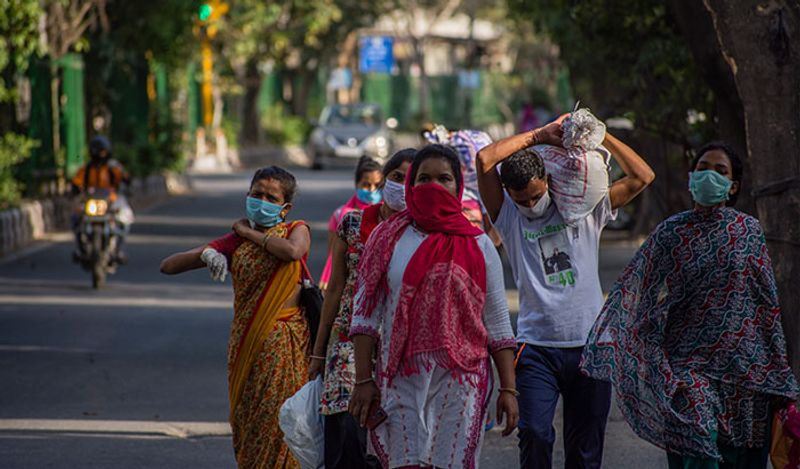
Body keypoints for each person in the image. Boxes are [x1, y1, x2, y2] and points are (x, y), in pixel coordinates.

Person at [580, 142, 800, 469]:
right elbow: (638, 300)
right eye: (702, 168)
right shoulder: (671, 233)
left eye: (720, 171)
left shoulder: (747, 231)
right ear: (690, 177)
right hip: (688, 371)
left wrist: (780, 377)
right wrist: (661, 368)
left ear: (733, 185)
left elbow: (766, 307)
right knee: (697, 454)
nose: (709, 175)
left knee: (743, 461)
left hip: (747, 377)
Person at [476, 116, 655, 469]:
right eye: (521, 199)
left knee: (585, 450)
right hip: (535, 348)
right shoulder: (508, 217)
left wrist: (602, 137)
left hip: (590, 347)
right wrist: (539, 136)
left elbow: (642, 177)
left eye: (535, 196)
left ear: (548, 180)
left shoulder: (585, 207)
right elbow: (484, 160)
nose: (530, 205)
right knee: (535, 434)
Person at [348, 144, 519, 469]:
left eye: (444, 179)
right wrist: (363, 380)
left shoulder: (479, 245)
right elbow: (365, 316)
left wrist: (509, 389)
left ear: (458, 186)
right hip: (400, 378)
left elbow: (497, 324)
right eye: (424, 178)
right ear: (411, 185)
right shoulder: (387, 239)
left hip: (462, 381)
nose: (434, 187)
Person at [159, 166, 311, 469]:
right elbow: (168, 266)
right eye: (257, 194)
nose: (262, 200)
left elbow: (292, 252)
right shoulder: (234, 243)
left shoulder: (296, 229)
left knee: (281, 420)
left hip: (286, 345)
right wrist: (207, 253)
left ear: (285, 208)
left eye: (271, 197)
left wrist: (247, 233)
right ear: (247, 196)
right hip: (246, 346)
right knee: (249, 420)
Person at [309, 148, 416, 469]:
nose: (401, 185)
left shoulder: (422, 232)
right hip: (346, 343)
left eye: (411, 180)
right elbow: (335, 290)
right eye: (396, 177)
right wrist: (318, 351)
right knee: (344, 436)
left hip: (399, 349)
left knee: (390, 438)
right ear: (385, 180)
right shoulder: (352, 224)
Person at [320, 157, 383, 289]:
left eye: (377, 186)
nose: (372, 190)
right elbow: (333, 255)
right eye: (366, 185)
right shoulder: (341, 216)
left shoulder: (387, 217)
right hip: (347, 284)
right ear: (357, 185)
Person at [71, 135, 133, 262]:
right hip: (90, 201)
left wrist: (126, 182)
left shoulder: (113, 168)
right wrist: (75, 189)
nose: (100, 155)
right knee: (75, 217)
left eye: (103, 152)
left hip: (111, 201)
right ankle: (81, 247)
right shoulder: (86, 169)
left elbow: (125, 177)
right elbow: (76, 182)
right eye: (97, 152)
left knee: (125, 217)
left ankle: (118, 249)